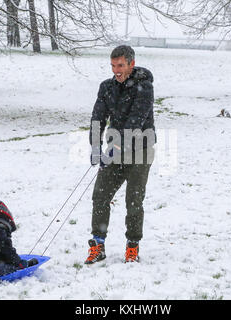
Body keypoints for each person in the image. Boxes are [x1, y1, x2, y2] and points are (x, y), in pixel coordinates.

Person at [85, 45, 155, 264]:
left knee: (133, 200)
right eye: (113, 65)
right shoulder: (106, 87)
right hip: (115, 149)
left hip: (141, 150)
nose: (116, 70)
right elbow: (98, 118)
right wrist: (96, 146)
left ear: (131, 64)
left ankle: (132, 246)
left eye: (121, 65)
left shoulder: (144, 87)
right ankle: (98, 245)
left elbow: (136, 121)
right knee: (100, 196)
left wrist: (113, 149)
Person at [0, 201, 38, 276]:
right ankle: (24, 265)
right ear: (5, 225)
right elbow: (10, 255)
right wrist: (20, 263)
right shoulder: (1, 236)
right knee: (10, 267)